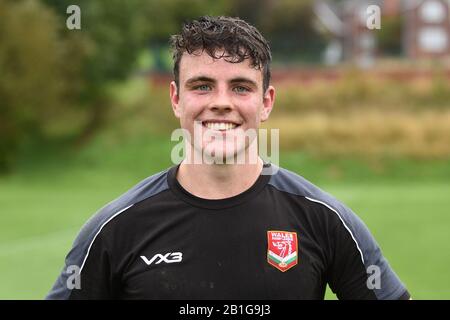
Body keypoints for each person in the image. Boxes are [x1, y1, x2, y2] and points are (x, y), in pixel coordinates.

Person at [46, 16, 410, 300]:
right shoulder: (115, 229)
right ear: (176, 99)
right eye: (202, 85)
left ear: (266, 102)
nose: (221, 102)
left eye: (240, 87)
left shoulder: (325, 220)